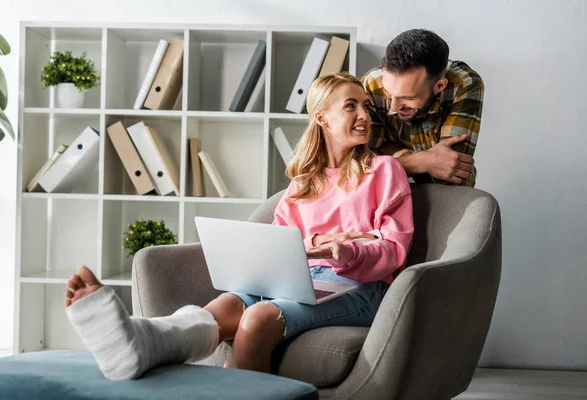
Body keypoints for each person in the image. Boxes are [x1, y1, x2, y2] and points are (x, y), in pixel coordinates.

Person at [64, 73, 414, 381]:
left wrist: (344, 250)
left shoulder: (383, 171)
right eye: (351, 106)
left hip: (359, 288)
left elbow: (393, 252)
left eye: (365, 107)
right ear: (321, 117)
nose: (365, 116)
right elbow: (279, 244)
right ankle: (139, 344)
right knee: (222, 308)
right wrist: (317, 242)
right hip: (298, 282)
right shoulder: (302, 184)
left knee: (259, 317)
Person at [362, 28, 485, 186]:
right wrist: (423, 161)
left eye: (408, 97)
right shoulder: (372, 84)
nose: (393, 105)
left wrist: (393, 155)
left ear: (440, 86)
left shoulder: (464, 84)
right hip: (386, 191)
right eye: (388, 93)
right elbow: (364, 165)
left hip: (445, 195)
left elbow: (451, 168)